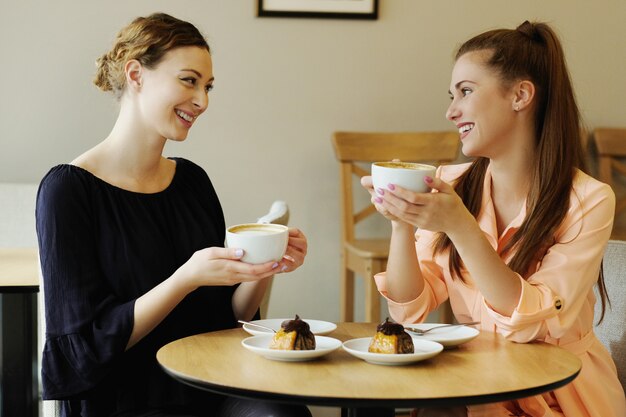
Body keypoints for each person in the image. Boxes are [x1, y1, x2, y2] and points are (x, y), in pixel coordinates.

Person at [36, 13, 310, 417]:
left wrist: (265, 264)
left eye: (207, 86)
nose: (202, 101)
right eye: (189, 80)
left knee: (282, 413)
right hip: (127, 398)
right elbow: (81, 351)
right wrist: (184, 279)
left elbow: (228, 316)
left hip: (208, 382)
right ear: (136, 75)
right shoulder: (69, 191)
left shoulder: (192, 181)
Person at [362, 21, 626, 416]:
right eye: (452, 96)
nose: (451, 111)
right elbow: (409, 308)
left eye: (466, 92)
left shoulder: (588, 200)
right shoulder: (451, 184)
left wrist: (461, 227)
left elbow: (531, 322)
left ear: (520, 95)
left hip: (560, 392)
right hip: (477, 380)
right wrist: (401, 222)